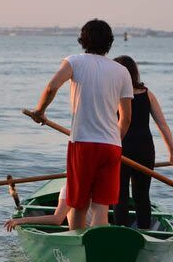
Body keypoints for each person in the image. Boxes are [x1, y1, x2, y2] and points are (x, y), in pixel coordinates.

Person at [28, 19, 133, 230]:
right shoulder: (122, 71)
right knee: (102, 210)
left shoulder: (74, 62)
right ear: (110, 43)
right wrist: (115, 141)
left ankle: (78, 253)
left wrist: (40, 111)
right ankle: (100, 251)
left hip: (83, 145)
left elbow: (51, 87)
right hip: (111, 147)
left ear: (82, 40)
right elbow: (126, 118)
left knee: (78, 205)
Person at [112, 55, 173, 229]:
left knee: (119, 195)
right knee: (142, 195)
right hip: (145, 149)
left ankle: (120, 233)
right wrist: (172, 151)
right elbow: (163, 125)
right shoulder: (148, 94)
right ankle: (144, 231)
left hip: (121, 148)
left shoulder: (115, 94)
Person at [3, 186, 97, 231]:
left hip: (82, 234)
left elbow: (57, 219)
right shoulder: (103, 185)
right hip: (101, 232)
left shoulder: (69, 189)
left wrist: (22, 220)